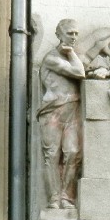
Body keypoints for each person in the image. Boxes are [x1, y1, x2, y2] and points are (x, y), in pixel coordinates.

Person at [38, 19, 85, 209]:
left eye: (76, 34)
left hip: (72, 112)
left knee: (73, 153)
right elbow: (79, 72)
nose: (73, 37)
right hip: (52, 112)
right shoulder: (51, 58)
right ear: (59, 35)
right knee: (52, 154)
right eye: (69, 33)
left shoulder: (74, 57)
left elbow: (83, 69)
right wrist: (71, 53)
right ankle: (54, 197)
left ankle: (67, 196)